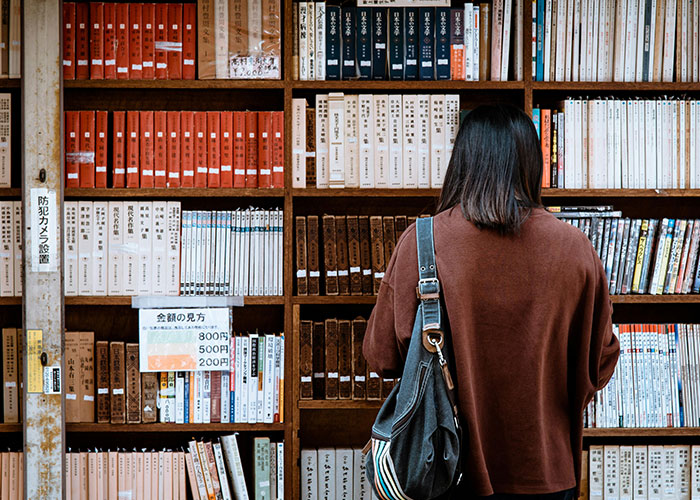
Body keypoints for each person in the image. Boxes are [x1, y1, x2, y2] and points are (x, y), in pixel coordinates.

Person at [362, 104, 620, 499]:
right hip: (548, 474)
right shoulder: (575, 249)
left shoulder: (422, 241)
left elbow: (382, 356)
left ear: (462, 162)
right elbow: (599, 366)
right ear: (532, 164)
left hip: (445, 469)